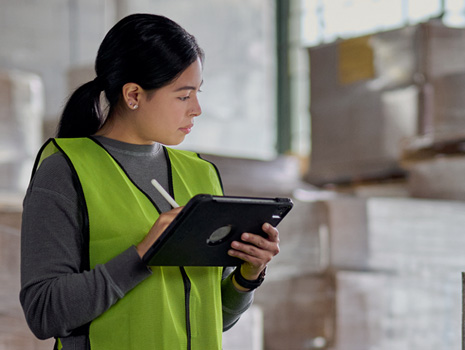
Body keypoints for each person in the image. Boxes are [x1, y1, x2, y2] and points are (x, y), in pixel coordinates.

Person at [19, 13, 280, 350]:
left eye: (198, 93)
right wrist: (142, 254)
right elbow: (45, 313)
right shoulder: (66, 170)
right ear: (133, 95)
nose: (197, 109)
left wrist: (248, 274)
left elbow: (215, 317)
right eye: (183, 96)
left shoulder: (202, 175)